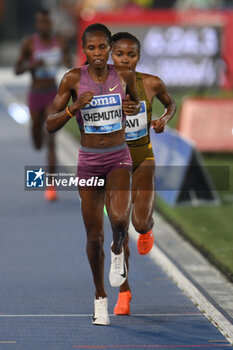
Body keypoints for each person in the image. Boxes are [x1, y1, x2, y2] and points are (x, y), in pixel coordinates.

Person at [46, 23, 140, 325]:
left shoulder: (123, 75)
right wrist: (74, 109)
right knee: (94, 237)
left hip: (118, 158)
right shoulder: (73, 79)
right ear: (83, 50)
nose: (98, 53)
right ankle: (100, 297)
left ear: (110, 48)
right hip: (89, 162)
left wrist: (132, 107)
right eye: (91, 48)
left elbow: (135, 103)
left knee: (119, 220)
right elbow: (50, 123)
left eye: (102, 47)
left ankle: (118, 250)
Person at [111, 32, 176, 315]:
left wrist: (162, 119)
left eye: (131, 54)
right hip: (112, 164)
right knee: (119, 233)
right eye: (120, 54)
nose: (126, 59)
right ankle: (124, 293)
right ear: (111, 55)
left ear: (139, 56)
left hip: (143, 159)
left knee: (138, 223)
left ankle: (148, 227)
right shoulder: (101, 86)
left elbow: (171, 104)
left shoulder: (151, 83)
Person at [15, 8, 72, 201]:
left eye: (47, 23)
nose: (44, 26)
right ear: (36, 24)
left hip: (52, 93)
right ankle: (36, 131)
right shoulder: (29, 43)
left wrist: (65, 60)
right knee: (38, 142)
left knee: (51, 137)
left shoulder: (60, 42)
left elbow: (69, 62)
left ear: (51, 24)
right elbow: (17, 69)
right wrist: (32, 66)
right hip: (35, 94)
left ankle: (51, 185)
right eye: (40, 23)